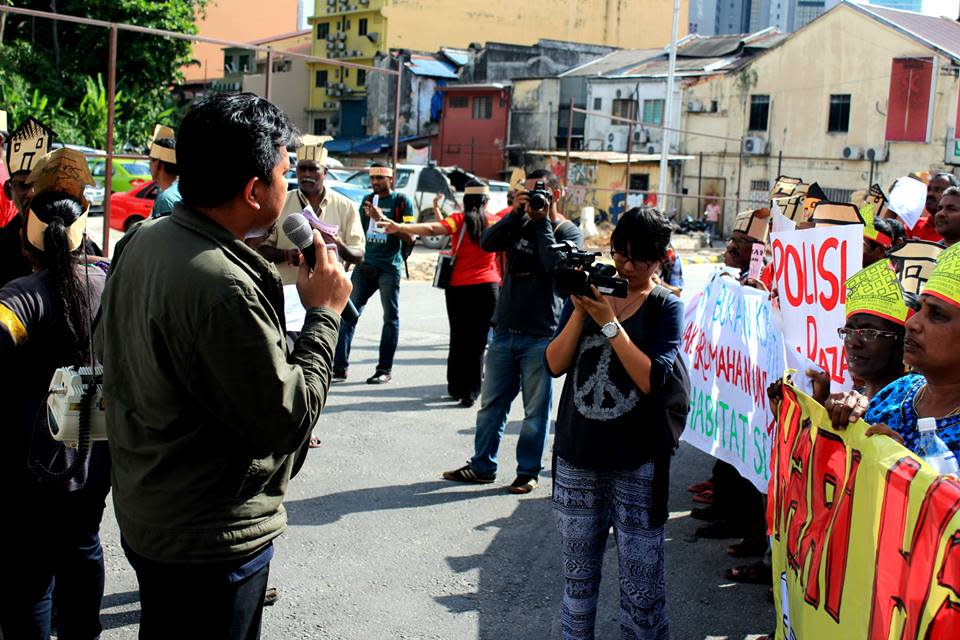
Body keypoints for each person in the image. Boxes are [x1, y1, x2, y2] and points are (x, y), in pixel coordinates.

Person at [96, 93, 352, 640]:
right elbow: (286, 418)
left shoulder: (145, 239)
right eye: (285, 173)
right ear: (253, 190)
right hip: (210, 538)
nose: (291, 189)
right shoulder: (222, 286)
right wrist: (325, 313)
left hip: (152, 512)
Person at [546, 207, 680, 639]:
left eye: (636, 259)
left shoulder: (665, 306)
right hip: (578, 455)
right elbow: (554, 363)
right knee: (577, 583)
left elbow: (649, 379)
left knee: (642, 588)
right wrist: (583, 312)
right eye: (618, 253)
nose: (623, 265)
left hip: (638, 460)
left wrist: (608, 323)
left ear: (662, 257)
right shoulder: (594, 292)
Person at [0, 148, 110, 640]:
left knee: (29, 578)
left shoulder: (22, 294)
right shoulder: (109, 281)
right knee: (83, 550)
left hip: (28, 466)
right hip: (93, 460)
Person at [442, 169, 583, 495]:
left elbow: (555, 267)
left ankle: (527, 472)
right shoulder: (517, 222)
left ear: (556, 195)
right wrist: (517, 213)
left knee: (535, 413)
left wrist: (542, 222)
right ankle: (481, 466)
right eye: (528, 191)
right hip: (504, 330)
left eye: (540, 192)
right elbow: (487, 242)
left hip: (541, 334)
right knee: (491, 405)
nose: (534, 197)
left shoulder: (567, 230)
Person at [825, 241, 960, 457]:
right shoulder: (898, 391)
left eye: (937, 315)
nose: (912, 323)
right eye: (920, 309)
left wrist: (903, 469)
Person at [380, 179, 501, 406]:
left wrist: (400, 227)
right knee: (477, 342)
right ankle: (471, 392)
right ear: (486, 201)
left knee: (458, 338)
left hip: (458, 288)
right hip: (488, 287)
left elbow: (431, 228)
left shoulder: (458, 219)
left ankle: (455, 387)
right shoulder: (496, 222)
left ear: (465, 201)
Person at [333, 162, 415, 384]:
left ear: (391, 179)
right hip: (365, 267)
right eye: (373, 178)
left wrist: (381, 219)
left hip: (389, 267)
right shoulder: (367, 201)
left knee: (390, 319)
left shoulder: (401, 202)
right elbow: (357, 235)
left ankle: (384, 370)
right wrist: (350, 262)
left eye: (380, 178)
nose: (376, 182)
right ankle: (339, 367)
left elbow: (411, 237)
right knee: (348, 314)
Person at [254, 136, 365, 284]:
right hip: (287, 292)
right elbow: (260, 249)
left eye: (313, 169)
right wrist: (286, 255)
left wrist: (338, 243)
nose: (306, 174)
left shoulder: (346, 206)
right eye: (302, 168)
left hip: (331, 292)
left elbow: (359, 255)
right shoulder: (280, 202)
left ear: (325, 173)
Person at [1, 116, 56, 286]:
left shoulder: (73, 237)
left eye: (39, 184)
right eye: (23, 185)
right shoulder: (3, 245)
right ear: (9, 191)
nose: (32, 193)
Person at [910, 173, 958, 243]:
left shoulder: (954, 233)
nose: (930, 194)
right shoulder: (913, 225)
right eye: (928, 189)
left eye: (938, 189)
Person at [148, 125, 181, 219]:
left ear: (159, 163)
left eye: (151, 160)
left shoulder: (165, 199)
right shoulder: (182, 190)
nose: (149, 165)